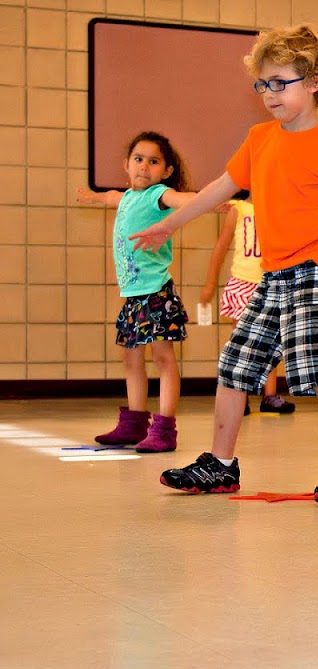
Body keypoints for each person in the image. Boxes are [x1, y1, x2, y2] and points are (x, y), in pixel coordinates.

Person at [130, 25, 318, 504]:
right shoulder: (259, 140)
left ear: (314, 81)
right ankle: (220, 465)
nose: (268, 94)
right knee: (235, 364)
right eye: (262, 84)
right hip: (274, 275)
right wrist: (169, 224)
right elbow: (220, 189)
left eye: (280, 82)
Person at [77, 131, 206, 453]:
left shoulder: (158, 194)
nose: (144, 167)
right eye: (138, 159)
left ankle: (164, 429)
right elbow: (110, 197)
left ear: (166, 171)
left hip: (156, 293)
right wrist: (91, 196)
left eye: (153, 161)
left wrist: (207, 201)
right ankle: (134, 423)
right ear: (126, 164)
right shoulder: (127, 197)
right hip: (134, 297)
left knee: (163, 358)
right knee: (130, 358)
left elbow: (181, 199)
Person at [200, 191, 296, 415]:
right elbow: (220, 248)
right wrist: (210, 283)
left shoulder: (280, 207)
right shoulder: (239, 209)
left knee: (272, 341)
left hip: (270, 282)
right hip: (242, 283)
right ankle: (239, 396)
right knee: (241, 344)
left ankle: (269, 395)